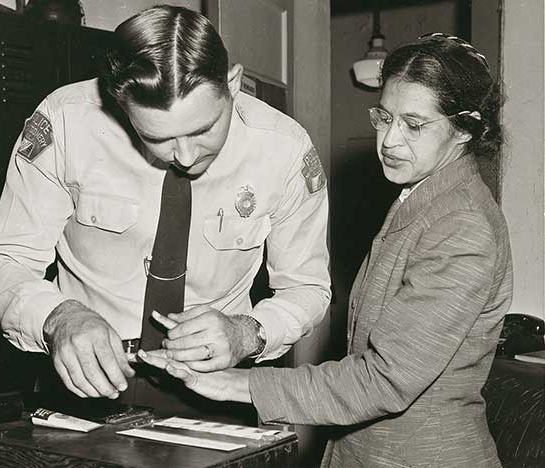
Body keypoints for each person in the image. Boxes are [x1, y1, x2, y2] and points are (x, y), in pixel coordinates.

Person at [140, 32, 513, 467]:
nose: (390, 140)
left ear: (464, 128)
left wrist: (234, 384)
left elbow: (385, 380)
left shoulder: (461, 225)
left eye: (413, 125)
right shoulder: (425, 196)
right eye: (384, 117)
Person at [0, 4, 330, 414]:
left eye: (204, 129)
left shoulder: (284, 149)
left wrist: (247, 332)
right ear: (118, 103)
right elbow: (1, 262)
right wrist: (58, 317)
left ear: (232, 82)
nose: (187, 156)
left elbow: (308, 287)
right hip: (84, 385)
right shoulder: (67, 121)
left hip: (219, 388)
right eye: (157, 137)